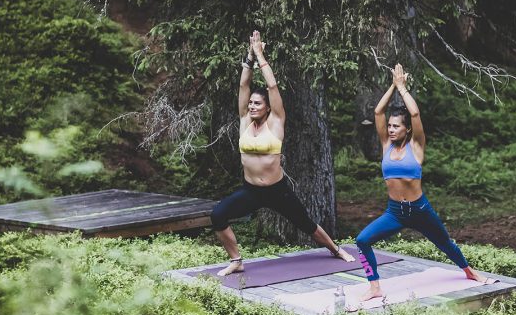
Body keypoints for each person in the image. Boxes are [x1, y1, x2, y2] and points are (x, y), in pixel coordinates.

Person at [209, 30, 355, 275]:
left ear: (267, 108)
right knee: (218, 216)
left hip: (277, 190)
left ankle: (335, 249)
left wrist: (261, 57)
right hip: (251, 190)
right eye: (252, 103)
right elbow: (244, 84)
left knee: (305, 224)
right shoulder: (244, 120)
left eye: (258, 104)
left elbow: (272, 85)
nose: (253, 106)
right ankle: (236, 260)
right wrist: (249, 57)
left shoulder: (276, 122)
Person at [355, 63, 491, 300]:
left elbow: (415, 114)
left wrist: (403, 89)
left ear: (407, 130)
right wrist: (392, 85)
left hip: (420, 209)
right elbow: (378, 112)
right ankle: (375, 287)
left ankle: (469, 271)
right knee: (362, 240)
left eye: (396, 126)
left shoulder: (416, 147)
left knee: (445, 243)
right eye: (390, 126)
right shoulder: (386, 145)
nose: (391, 129)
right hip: (395, 212)